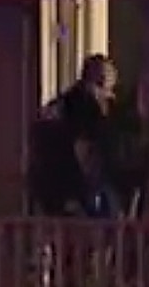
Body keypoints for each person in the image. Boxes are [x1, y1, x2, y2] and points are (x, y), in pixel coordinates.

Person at [29, 53, 118, 217]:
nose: (110, 95)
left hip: (43, 184)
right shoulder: (85, 104)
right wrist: (91, 187)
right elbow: (85, 148)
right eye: (108, 87)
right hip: (69, 185)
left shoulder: (63, 102)